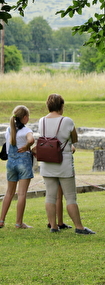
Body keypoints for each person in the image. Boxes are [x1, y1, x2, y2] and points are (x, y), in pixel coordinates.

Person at [38, 94, 95, 234]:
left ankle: (53, 226)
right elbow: (74, 138)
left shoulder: (41, 121)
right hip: (63, 162)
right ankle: (79, 227)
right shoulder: (67, 121)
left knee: (50, 196)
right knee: (70, 197)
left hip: (47, 161)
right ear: (61, 106)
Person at [0, 106, 34, 229]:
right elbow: (31, 140)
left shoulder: (9, 129)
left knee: (9, 192)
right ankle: (19, 223)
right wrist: (26, 146)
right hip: (23, 163)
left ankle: (1, 220)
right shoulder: (26, 131)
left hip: (10, 163)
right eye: (28, 117)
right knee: (21, 194)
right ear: (24, 118)